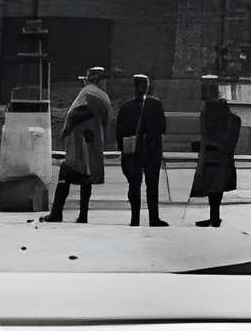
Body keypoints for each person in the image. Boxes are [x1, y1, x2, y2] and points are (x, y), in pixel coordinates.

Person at [42, 66, 111, 224]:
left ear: (90, 79)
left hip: (79, 142)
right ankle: (83, 215)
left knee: (65, 173)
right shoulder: (104, 97)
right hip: (92, 143)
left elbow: (76, 113)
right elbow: (105, 121)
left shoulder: (87, 92)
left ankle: (56, 214)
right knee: (86, 178)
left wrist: (66, 130)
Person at [113, 74, 168, 228]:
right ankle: (153, 218)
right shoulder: (156, 105)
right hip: (152, 150)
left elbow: (119, 131)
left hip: (132, 152)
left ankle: (134, 218)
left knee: (134, 185)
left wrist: (124, 149)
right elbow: (163, 128)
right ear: (147, 86)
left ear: (135, 86)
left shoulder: (126, 107)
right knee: (152, 185)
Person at [189, 76, 241, 228]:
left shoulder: (211, 117)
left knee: (213, 189)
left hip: (212, 158)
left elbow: (207, 136)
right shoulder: (230, 120)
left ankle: (214, 217)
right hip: (221, 159)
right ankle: (214, 216)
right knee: (216, 189)